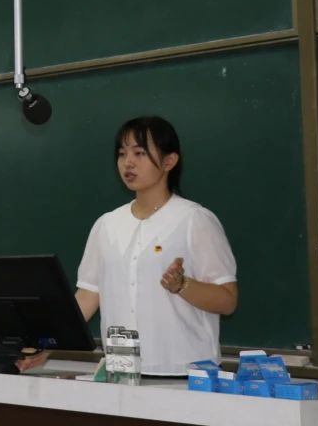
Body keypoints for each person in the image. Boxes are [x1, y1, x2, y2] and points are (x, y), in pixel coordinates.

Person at [72, 115, 238, 375]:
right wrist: (46, 344)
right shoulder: (107, 224)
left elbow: (227, 300)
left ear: (169, 161)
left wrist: (182, 285)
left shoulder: (195, 219)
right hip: (121, 374)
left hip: (185, 374)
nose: (128, 162)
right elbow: (87, 296)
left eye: (139, 153)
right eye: (122, 154)